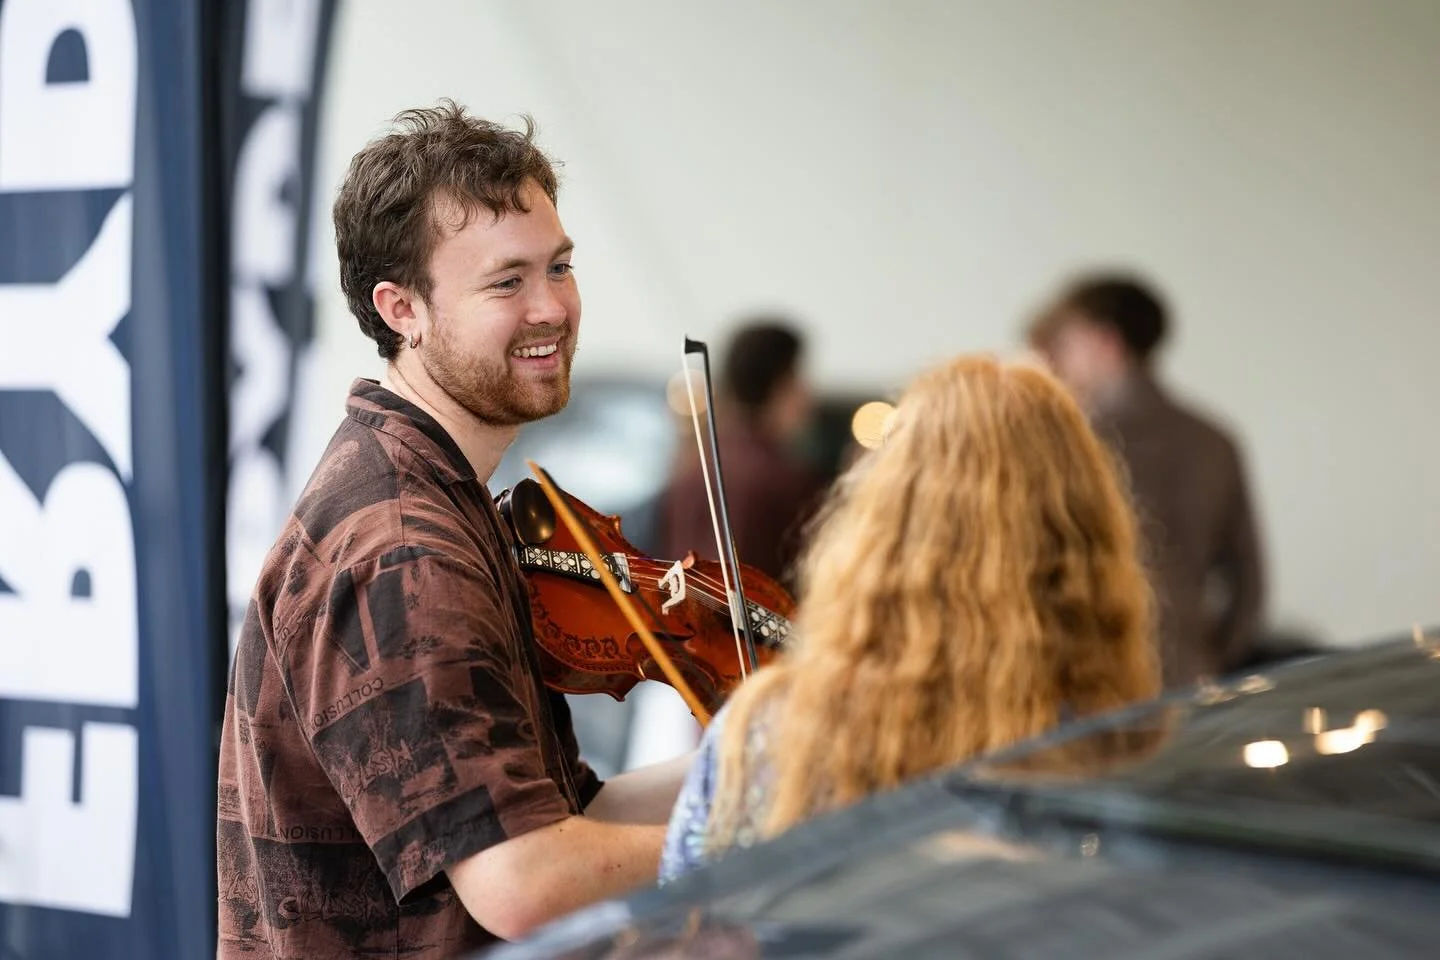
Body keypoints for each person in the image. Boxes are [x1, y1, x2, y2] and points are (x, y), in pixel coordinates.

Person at [216, 101, 691, 958]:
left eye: (560, 267)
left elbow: (562, 820)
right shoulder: (405, 548)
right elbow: (521, 880)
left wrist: (758, 769)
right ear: (403, 309)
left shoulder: (441, 498)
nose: (552, 308)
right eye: (507, 282)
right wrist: (721, 842)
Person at [659, 354, 1162, 880]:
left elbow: (683, 918)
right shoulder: (1119, 741)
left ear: (880, 529)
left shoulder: (763, 733)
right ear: (1085, 541)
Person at [1027, 273, 1266, 687]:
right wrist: (1211, 656)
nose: (1055, 363)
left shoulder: (1066, 442)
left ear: (1105, 341)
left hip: (1088, 685)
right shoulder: (1214, 439)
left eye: (1064, 346)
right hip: (1191, 676)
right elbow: (1249, 584)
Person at [658, 319, 824, 591]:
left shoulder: (691, 467)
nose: (808, 394)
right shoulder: (785, 478)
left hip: (686, 629)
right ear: (778, 384)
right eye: (798, 379)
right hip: (764, 629)